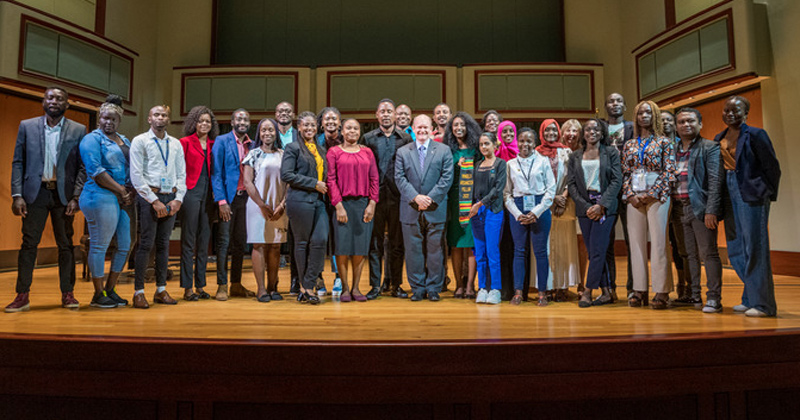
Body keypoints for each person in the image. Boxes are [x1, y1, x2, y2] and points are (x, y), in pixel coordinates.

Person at [6, 86, 87, 312]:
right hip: (35, 193)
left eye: (59, 99)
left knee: (66, 246)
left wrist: (76, 196)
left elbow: (83, 167)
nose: (54, 101)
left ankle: (68, 293)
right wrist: (17, 194)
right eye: (50, 97)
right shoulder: (27, 126)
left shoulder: (79, 129)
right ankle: (22, 295)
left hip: (64, 197)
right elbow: (18, 162)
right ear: (44, 101)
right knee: (29, 244)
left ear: (67, 104)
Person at [714, 96, 781, 317]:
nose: (731, 113)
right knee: (735, 249)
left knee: (754, 248)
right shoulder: (719, 137)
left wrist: (765, 193)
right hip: (728, 192)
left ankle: (763, 305)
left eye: (737, 110)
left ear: (746, 113)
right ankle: (749, 297)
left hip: (751, 194)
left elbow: (772, 167)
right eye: (727, 110)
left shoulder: (756, 134)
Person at [77, 96, 131, 309]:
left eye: (113, 119)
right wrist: (121, 190)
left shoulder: (124, 140)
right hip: (99, 195)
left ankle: (111, 288)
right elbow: (96, 171)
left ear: (119, 121)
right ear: (100, 118)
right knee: (100, 244)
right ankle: (98, 294)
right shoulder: (92, 139)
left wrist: (128, 191)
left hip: (121, 196)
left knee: (125, 245)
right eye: (105, 118)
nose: (108, 122)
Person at [129, 105, 186, 309]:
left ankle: (161, 290)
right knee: (146, 244)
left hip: (170, 196)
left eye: (164, 115)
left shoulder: (176, 144)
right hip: (149, 197)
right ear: (149, 119)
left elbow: (181, 174)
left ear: (168, 119)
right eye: (156, 115)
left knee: (164, 245)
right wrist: (154, 201)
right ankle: (139, 292)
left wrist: (178, 198)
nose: (160, 118)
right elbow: (136, 176)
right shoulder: (140, 141)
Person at [622, 100, 676, 309]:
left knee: (659, 242)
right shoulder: (629, 144)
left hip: (658, 195)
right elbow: (625, 172)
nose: (644, 116)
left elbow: (669, 171)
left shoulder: (664, 142)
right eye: (640, 113)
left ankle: (662, 291)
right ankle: (639, 289)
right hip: (634, 194)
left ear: (654, 116)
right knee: (635, 244)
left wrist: (652, 193)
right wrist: (630, 194)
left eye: (648, 113)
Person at [395, 114, 454, 301]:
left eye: (425, 127)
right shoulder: (403, 152)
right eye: (418, 127)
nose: (422, 130)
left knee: (435, 251)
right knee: (413, 251)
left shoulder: (444, 150)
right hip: (410, 208)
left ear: (432, 129)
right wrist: (415, 197)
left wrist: (429, 198)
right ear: (413, 129)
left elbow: (447, 178)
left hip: (435, 207)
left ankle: (434, 288)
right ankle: (418, 288)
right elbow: (399, 178)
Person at [672, 108, 723, 313]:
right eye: (682, 122)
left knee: (708, 253)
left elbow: (715, 181)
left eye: (691, 121)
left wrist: (712, 210)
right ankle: (694, 295)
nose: (686, 125)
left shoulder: (710, 147)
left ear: (700, 124)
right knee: (687, 254)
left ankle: (714, 298)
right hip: (677, 209)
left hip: (700, 209)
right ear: (676, 127)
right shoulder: (672, 150)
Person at [567, 119, 622, 307]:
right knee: (594, 251)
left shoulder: (611, 153)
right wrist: (584, 206)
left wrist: (602, 205)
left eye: (596, 129)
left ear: (602, 132)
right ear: (584, 133)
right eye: (588, 129)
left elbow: (616, 180)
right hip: (585, 208)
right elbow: (572, 184)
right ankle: (607, 292)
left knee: (597, 250)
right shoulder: (575, 156)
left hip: (605, 207)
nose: (592, 131)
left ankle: (588, 291)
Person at [361, 99, 412, 299]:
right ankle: (375, 286)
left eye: (389, 111)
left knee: (397, 244)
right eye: (382, 111)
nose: (386, 114)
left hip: (399, 198)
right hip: (374, 199)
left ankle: (396, 284)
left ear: (395, 115)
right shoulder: (368, 138)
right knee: (375, 244)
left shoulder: (406, 139)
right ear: (376, 115)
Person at [327, 119, 379, 302]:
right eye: (348, 128)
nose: (352, 131)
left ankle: (356, 287)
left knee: (360, 248)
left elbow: (374, 178)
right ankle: (345, 289)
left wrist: (372, 203)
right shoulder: (334, 152)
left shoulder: (367, 152)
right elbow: (331, 179)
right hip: (342, 204)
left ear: (360, 132)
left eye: (356, 128)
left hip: (363, 204)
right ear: (342, 131)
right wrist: (338, 204)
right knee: (342, 248)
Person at [504, 128, 556, 306]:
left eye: (529, 141)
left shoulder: (543, 161)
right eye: (522, 141)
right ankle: (518, 292)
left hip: (539, 206)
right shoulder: (510, 164)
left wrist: (536, 212)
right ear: (517, 142)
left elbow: (551, 190)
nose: (525, 144)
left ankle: (542, 292)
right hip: (518, 207)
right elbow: (506, 194)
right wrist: (518, 214)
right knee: (519, 252)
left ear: (535, 143)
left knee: (541, 252)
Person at [281, 111, 328, 305]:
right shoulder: (292, 148)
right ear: (299, 127)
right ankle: (306, 288)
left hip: (319, 202)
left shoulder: (321, 149)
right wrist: (313, 183)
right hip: (299, 201)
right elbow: (286, 174)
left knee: (321, 240)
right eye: (305, 125)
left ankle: (307, 283)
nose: (309, 128)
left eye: (312, 125)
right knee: (301, 244)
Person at [211, 109, 257, 300]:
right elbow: (216, 173)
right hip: (228, 200)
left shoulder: (253, 144)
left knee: (240, 243)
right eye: (239, 118)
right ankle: (222, 285)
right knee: (223, 243)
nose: (242, 121)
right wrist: (221, 201)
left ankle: (236, 284)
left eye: (246, 119)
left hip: (246, 200)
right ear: (232, 122)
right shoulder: (222, 141)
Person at [243, 118, 287, 302]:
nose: (267, 133)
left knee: (275, 246)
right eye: (263, 130)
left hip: (279, 206)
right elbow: (247, 182)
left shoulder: (284, 154)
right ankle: (261, 289)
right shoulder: (253, 154)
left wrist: (282, 204)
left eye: (271, 130)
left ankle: (272, 287)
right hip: (257, 206)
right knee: (259, 244)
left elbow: (290, 182)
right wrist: (262, 204)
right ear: (259, 133)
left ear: (277, 132)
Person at [537, 119, 580, 302]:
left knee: (564, 247)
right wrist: (551, 198)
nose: (551, 133)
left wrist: (562, 196)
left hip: (565, 204)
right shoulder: (536, 153)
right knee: (545, 247)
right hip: (544, 204)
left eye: (554, 130)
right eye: (547, 130)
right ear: (542, 132)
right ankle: (546, 286)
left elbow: (573, 177)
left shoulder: (567, 151)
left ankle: (562, 286)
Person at [179, 106, 218, 301]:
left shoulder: (214, 144)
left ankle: (200, 286)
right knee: (188, 241)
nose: (204, 124)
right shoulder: (184, 142)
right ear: (194, 123)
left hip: (209, 196)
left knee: (204, 242)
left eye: (208, 122)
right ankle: (187, 288)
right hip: (190, 193)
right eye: (201, 121)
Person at [442, 112, 481, 299]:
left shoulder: (476, 149)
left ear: (469, 127)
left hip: (472, 201)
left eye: (462, 125)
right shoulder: (447, 150)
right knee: (456, 244)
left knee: (472, 244)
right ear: (451, 129)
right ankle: (458, 284)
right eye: (455, 125)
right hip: (454, 201)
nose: (459, 128)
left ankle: (470, 285)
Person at [470, 133, 507, 304]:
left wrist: (481, 204)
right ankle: (482, 288)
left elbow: (498, 190)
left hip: (493, 210)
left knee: (492, 252)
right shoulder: (477, 165)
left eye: (487, 144)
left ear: (494, 145)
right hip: (477, 214)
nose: (484, 147)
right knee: (480, 253)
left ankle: (495, 289)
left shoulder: (501, 164)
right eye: (481, 144)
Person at [605, 93, 634, 301]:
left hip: (630, 190)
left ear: (624, 105)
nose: (615, 104)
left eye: (618, 101)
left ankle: (633, 287)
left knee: (633, 241)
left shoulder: (633, 128)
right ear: (606, 106)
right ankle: (609, 288)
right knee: (606, 242)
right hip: (607, 191)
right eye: (611, 101)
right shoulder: (601, 128)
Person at [661, 109, 691, 303]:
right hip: (665, 202)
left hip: (684, 201)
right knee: (674, 244)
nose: (665, 123)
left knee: (686, 246)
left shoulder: (682, 146)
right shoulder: (656, 145)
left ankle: (688, 286)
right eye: (661, 120)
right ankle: (678, 283)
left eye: (668, 120)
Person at [316, 106, 344, 296]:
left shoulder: (346, 141)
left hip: (340, 196)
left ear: (340, 123)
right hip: (318, 195)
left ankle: (338, 277)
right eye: (327, 119)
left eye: (334, 119)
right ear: (321, 123)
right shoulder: (314, 141)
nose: (331, 122)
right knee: (319, 238)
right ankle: (317, 277)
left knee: (337, 238)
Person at [560, 119, 588, 294]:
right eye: (567, 130)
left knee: (581, 243)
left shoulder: (586, 152)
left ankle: (581, 282)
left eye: (574, 130)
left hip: (581, 202)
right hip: (563, 204)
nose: (571, 134)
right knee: (564, 242)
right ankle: (562, 283)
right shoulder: (558, 152)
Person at [274, 101, 300, 294]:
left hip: (295, 189)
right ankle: (271, 284)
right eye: (281, 111)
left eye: (288, 111)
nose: (284, 114)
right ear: (276, 114)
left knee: (295, 238)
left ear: (293, 115)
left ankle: (295, 280)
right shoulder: (269, 133)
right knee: (273, 239)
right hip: (273, 190)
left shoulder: (299, 135)